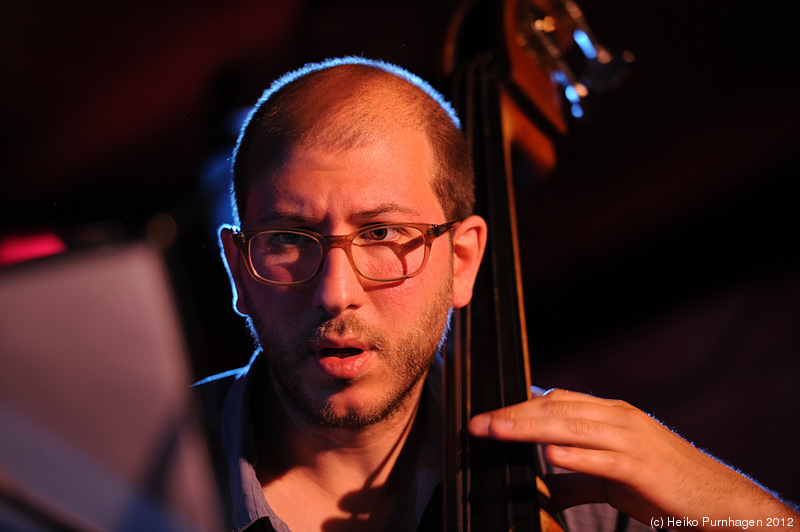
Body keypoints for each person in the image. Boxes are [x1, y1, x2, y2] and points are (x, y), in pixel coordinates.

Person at [194, 56, 798, 531]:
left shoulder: (576, 482)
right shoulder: (117, 471)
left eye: (382, 233)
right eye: (290, 239)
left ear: (461, 261)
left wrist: (734, 509)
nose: (335, 292)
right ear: (238, 270)